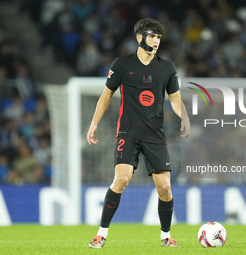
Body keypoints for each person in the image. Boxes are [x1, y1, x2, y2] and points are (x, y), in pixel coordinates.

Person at [86, 18, 190, 248]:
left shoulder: (166, 68)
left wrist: (185, 117)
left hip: (155, 135)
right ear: (139, 37)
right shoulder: (122, 65)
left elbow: (175, 100)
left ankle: (166, 236)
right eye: (152, 36)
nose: (156, 41)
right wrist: (94, 123)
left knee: (164, 188)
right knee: (121, 179)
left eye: (159, 38)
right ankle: (101, 234)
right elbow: (106, 96)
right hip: (128, 133)